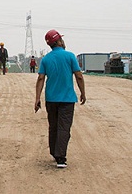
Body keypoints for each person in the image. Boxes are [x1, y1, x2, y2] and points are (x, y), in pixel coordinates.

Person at [34, 29, 86, 168]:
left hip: (51, 98)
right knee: (64, 127)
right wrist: (83, 92)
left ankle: (54, 152)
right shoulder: (70, 56)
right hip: (67, 99)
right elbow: (79, 76)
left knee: (53, 126)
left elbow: (40, 78)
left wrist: (37, 98)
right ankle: (61, 158)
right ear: (58, 41)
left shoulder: (46, 59)